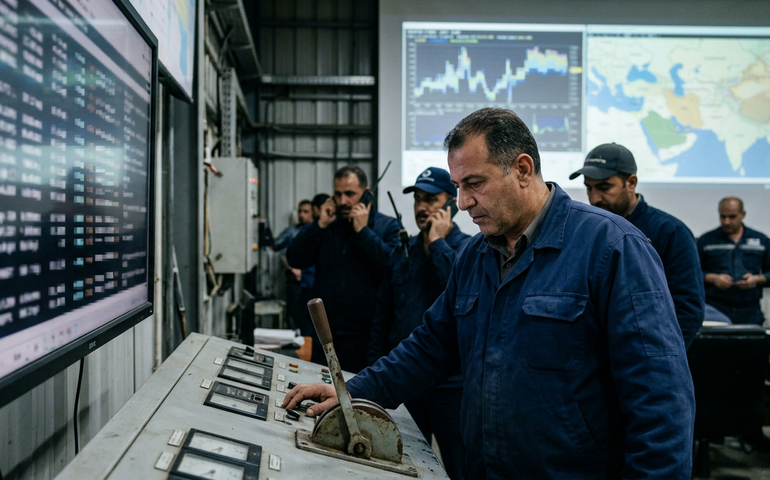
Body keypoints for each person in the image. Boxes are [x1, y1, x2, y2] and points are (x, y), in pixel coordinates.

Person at [284, 108, 695, 478]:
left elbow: (661, 402)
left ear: (522, 168)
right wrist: (354, 390)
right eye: (459, 186)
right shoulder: (475, 256)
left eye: (474, 184)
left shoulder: (612, 248)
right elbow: (431, 346)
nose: (462, 203)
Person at [368, 167, 470, 480]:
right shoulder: (403, 251)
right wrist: (370, 366)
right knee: (403, 467)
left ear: (451, 204)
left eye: (431, 199)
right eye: (418, 200)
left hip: (452, 388)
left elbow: (462, 295)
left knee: (460, 467)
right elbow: (383, 315)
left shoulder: (469, 251)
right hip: (407, 384)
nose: (423, 207)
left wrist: (438, 243)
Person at [569, 143, 705, 349]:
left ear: (631, 183)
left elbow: (688, 309)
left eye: (605, 187)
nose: (594, 198)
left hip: (649, 356)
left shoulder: (671, 232)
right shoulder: (584, 231)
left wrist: (663, 360)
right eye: (589, 188)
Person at [287, 166, 400, 373]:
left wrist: (363, 232)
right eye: (338, 194)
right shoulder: (329, 225)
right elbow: (295, 258)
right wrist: (319, 225)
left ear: (366, 194)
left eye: (349, 194)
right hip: (327, 338)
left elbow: (395, 269)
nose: (342, 202)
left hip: (368, 340)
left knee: (361, 401)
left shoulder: (387, 226)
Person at [697, 197, 770, 325]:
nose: (726, 222)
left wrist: (757, 279)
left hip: (750, 311)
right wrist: (712, 278)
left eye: (732, 217)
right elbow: (692, 273)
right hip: (715, 309)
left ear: (743, 214)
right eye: (722, 216)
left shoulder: (761, 240)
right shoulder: (706, 241)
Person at [272, 200, 313, 330]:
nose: (301, 215)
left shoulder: (318, 232)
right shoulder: (291, 231)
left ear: (313, 212)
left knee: (310, 317)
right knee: (294, 316)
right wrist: (290, 266)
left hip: (312, 280)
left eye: (306, 212)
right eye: (300, 211)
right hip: (294, 280)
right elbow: (275, 247)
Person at [295, 193, 330, 337]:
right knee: (308, 328)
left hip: (318, 287)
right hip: (309, 285)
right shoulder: (309, 232)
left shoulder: (328, 230)